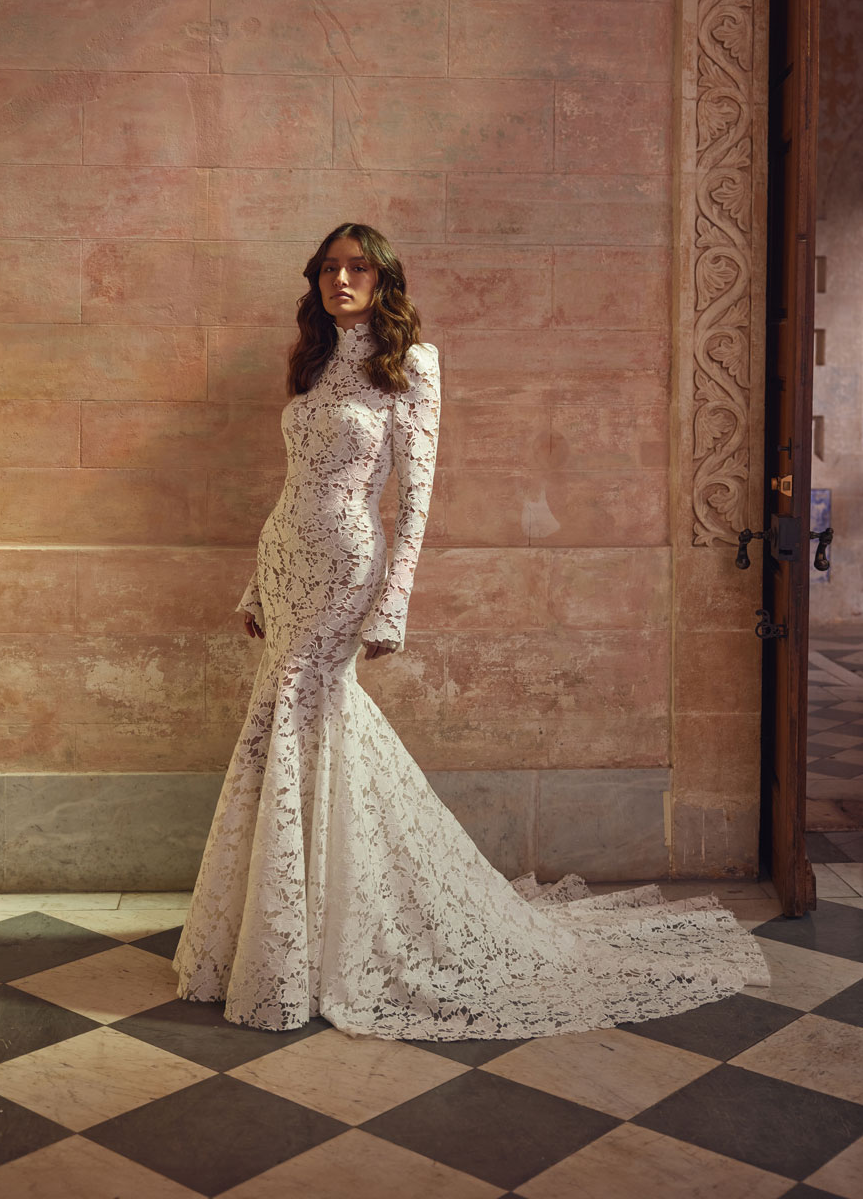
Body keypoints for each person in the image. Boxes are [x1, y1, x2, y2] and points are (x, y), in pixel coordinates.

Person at [172, 222, 769, 1041]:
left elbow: (415, 499)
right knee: (283, 727)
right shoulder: (309, 363)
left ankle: (328, 935)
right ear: (315, 280)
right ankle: (281, 934)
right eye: (330, 269)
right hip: (287, 559)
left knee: (316, 714)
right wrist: (255, 579)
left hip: (349, 564)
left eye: (358, 269)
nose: (341, 281)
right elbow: (292, 484)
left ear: (385, 282)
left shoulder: (412, 365)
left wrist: (393, 603)